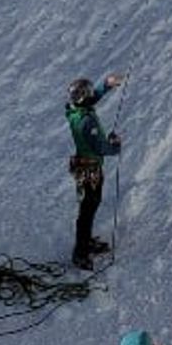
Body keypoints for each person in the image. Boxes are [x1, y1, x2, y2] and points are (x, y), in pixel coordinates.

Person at [65, 72, 123, 270]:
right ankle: (81, 252)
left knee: (87, 207)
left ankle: (85, 243)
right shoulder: (87, 123)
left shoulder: (73, 111)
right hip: (91, 169)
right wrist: (115, 145)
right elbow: (101, 148)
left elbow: (89, 100)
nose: (92, 97)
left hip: (82, 165)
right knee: (89, 208)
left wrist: (105, 85)